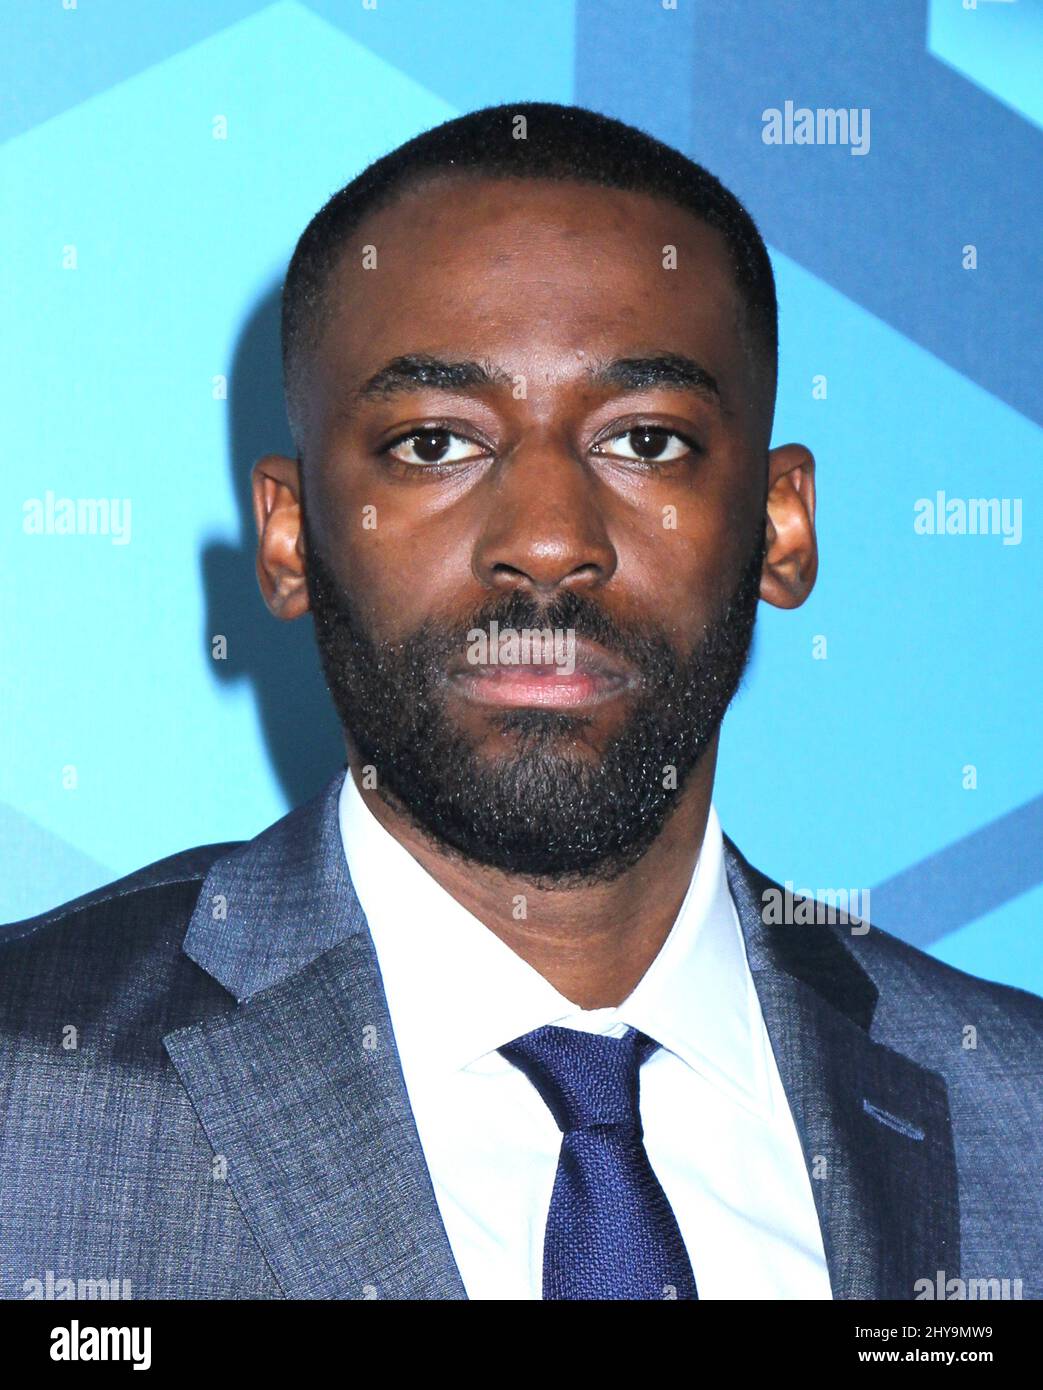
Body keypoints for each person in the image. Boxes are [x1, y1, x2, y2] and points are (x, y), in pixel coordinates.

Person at [2, 102, 1039, 1302]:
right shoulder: (32, 1091)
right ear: (286, 538)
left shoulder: (1006, 1109)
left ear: (780, 524)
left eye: (644, 441)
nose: (547, 543)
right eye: (435, 443)